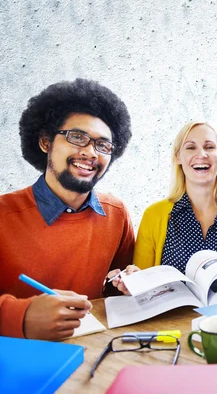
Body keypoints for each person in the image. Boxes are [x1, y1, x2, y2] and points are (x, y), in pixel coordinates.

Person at [0, 78, 134, 340]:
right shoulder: (3, 216)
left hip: (96, 354)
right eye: (77, 137)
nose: (90, 152)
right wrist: (21, 315)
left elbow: (113, 292)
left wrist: (128, 284)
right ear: (46, 142)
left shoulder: (116, 214)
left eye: (102, 145)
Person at [116, 121, 217, 289]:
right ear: (178, 157)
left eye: (209, 147)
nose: (201, 154)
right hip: (174, 315)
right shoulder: (154, 215)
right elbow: (141, 283)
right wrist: (131, 281)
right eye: (191, 147)